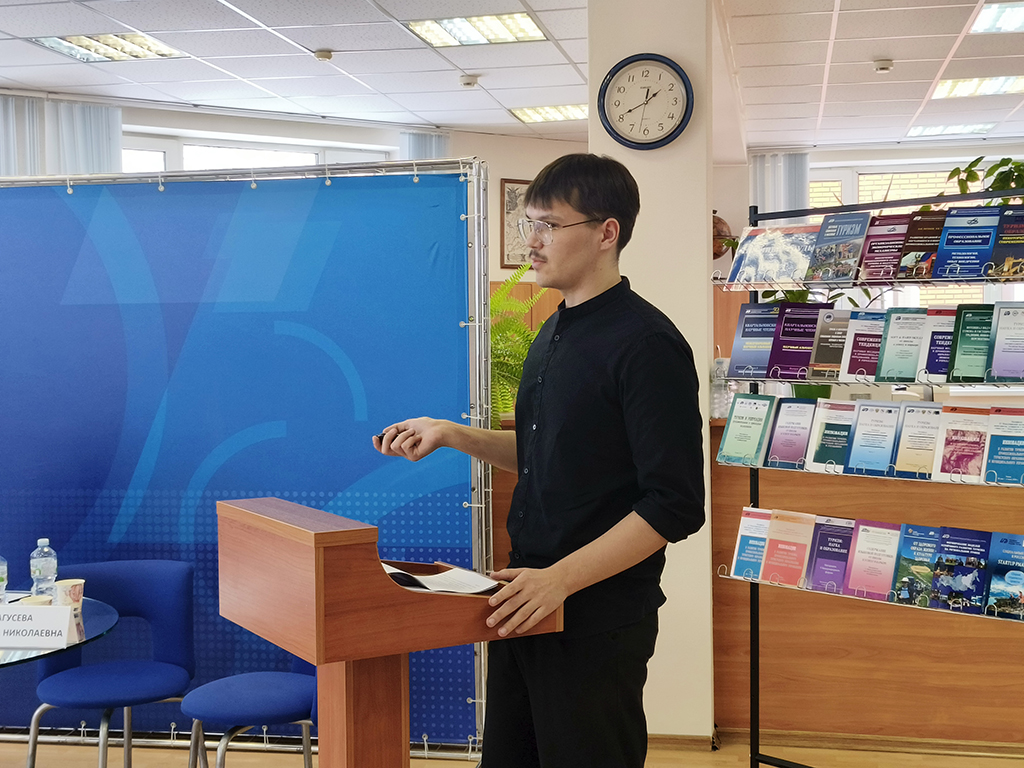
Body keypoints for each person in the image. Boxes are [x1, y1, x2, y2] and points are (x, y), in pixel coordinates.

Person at [374, 153, 705, 768]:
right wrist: (452, 434)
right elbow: (547, 454)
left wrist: (561, 580)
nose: (531, 241)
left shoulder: (647, 344)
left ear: (607, 233)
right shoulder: (555, 329)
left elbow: (675, 504)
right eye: (529, 223)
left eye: (550, 225)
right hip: (522, 597)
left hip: (593, 617)